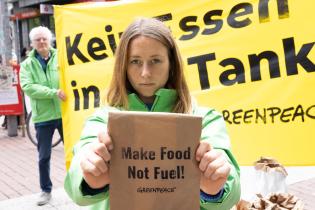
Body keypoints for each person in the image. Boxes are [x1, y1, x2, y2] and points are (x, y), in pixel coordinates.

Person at [64, 17, 240, 210]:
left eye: (155, 61)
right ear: (123, 65)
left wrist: (215, 189)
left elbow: (231, 191)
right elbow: (78, 178)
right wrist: (90, 178)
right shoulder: (102, 120)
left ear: (172, 63)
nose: (145, 72)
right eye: (135, 61)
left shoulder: (205, 120)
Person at [19, 26, 66, 206]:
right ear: (32, 43)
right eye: (37, 39)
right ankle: (45, 190)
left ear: (50, 40)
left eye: (44, 38)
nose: (41, 42)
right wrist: (53, 92)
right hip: (43, 117)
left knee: (75, 151)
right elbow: (28, 87)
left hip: (64, 112)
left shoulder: (61, 58)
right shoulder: (26, 65)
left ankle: (82, 184)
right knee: (44, 156)